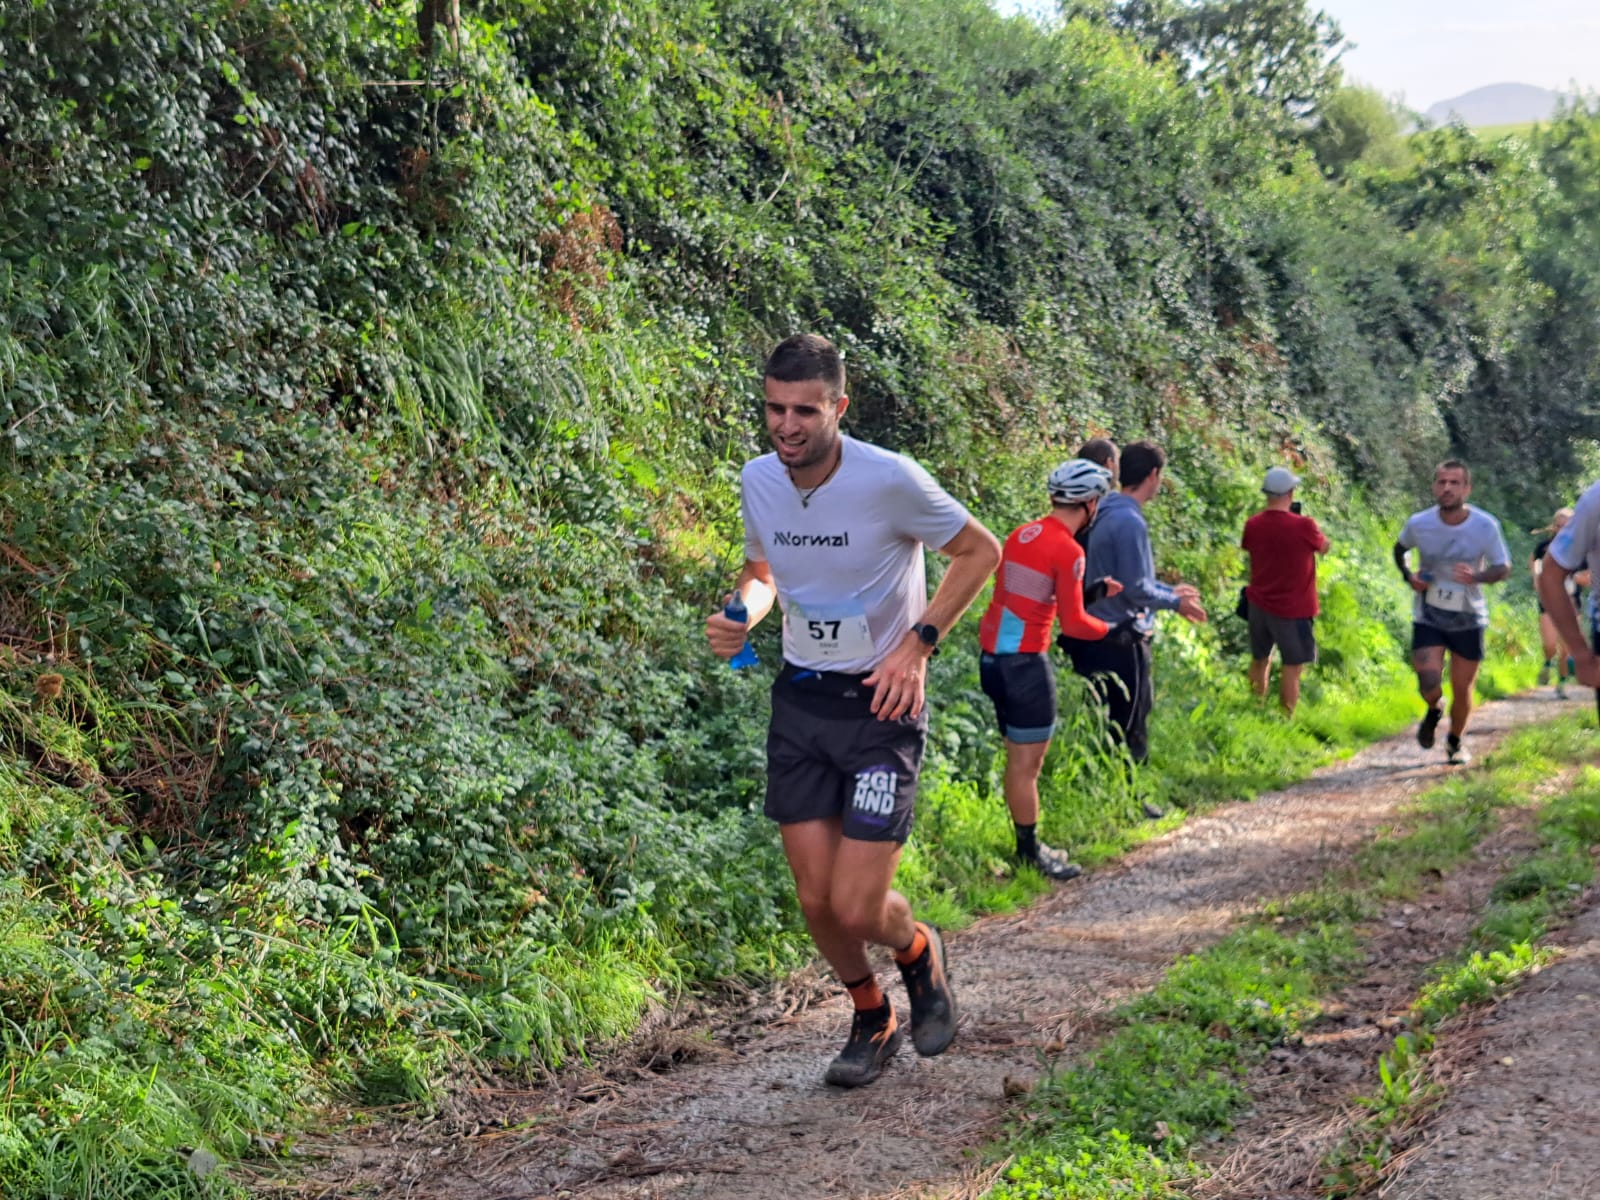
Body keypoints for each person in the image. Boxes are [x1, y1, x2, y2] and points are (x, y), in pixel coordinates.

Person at [704, 334, 1001, 1089]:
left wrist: (918, 645)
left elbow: (979, 551)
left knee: (859, 903)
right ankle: (873, 1015)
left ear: (839, 406)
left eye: (805, 410)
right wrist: (744, 610)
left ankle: (917, 951)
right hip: (803, 699)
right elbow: (763, 569)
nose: (786, 425)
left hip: (881, 704)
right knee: (815, 899)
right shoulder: (759, 480)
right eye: (774, 408)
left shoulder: (889, 479)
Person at [978, 459, 1123, 881]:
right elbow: (1076, 625)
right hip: (1025, 666)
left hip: (993, 661)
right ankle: (1029, 855)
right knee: (1027, 767)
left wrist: (1090, 593)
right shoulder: (1070, 549)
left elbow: (1033, 597)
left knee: (1016, 761)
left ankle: (1028, 844)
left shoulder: (1022, 534)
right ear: (1091, 503)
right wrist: (1116, 631)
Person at [1061, 440, 1207, 778]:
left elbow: (1130, 577)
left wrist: (1170, 591)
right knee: (1131, 721)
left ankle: (1103, 785)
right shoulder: (1130, 522)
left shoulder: (1107, 510)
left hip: (1095, 635)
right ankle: (1129, 792)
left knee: (1104, 718)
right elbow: (1137, 587)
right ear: (1153, 475)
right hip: (1121, 639)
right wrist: (1175, 602)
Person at [1393, 460, 1511, 765]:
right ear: (1434, 487)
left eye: (1454, 483)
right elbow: (1400, 548)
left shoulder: (1485, 525)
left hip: (1469, 616)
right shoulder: (1419, 522)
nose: (1446, 488)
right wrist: (1409, 576)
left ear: (1466, 489)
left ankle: (1456, 741)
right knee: (1428, 680)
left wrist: (1477, 577)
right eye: (1441, 482)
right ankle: (1434, 708)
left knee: (1463, 687)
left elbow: (1503, 567)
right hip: (1429, 613)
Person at [1241, 467, 1329, 715]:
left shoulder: (1253, 524)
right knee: (1292, 667)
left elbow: (1250, 548)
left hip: (1258, 603)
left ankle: (1255, 708)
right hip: (1294, 608)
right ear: (1290, 493)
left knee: (1260, 659)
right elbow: (1323, 547)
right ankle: (1285, 718)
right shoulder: (1305, 526)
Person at [1537, 480, 1600, 715]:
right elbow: (1547, 574)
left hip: (1577, 600)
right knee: (1551, 644)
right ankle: (1555, 672)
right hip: (1561, 604)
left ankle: (1561, 677)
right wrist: (1583, 655)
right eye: (1559, 525)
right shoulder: (1595, 500)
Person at [1531, 507, 1586, 698]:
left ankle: (1561, 686)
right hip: (1548, 601)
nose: (1562, 529)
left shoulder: (1581, 549)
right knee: (1550, 644)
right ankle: (1547, 663)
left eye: (1566, 526)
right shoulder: (1543, 547)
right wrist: (1540, 583)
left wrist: (1577, 578)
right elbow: (1535, 568)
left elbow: (1590, 576)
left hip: (1571, 602)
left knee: (1565, 649)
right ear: (1553, 527)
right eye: (1558, 525)